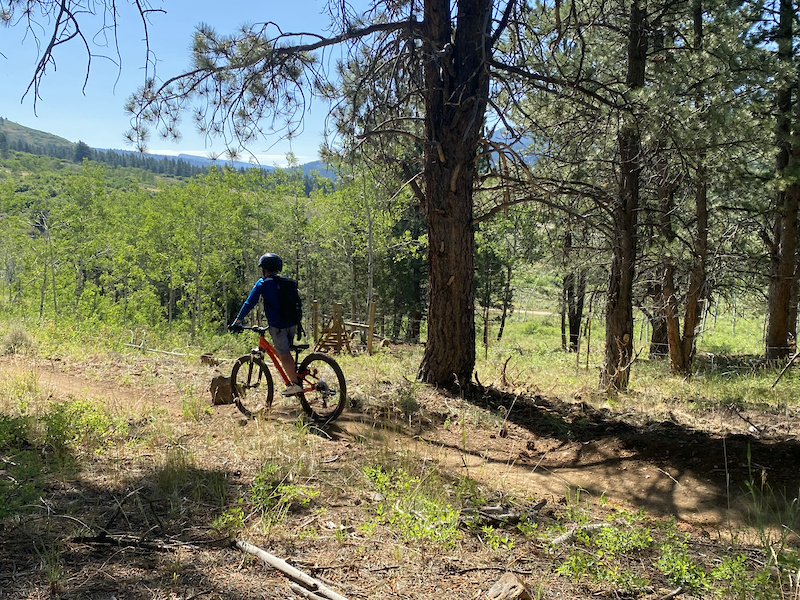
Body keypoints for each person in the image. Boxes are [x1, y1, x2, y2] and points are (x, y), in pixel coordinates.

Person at [229, 253, 302, 396]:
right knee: (285, 352)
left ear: (264, 269)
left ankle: (295, 385)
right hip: (293, 324)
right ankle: (297, 377)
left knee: (284, 355)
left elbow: (249, 303)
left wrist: (237, 321)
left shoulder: (263, 283)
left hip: (278, 326)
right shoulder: (285, 281)